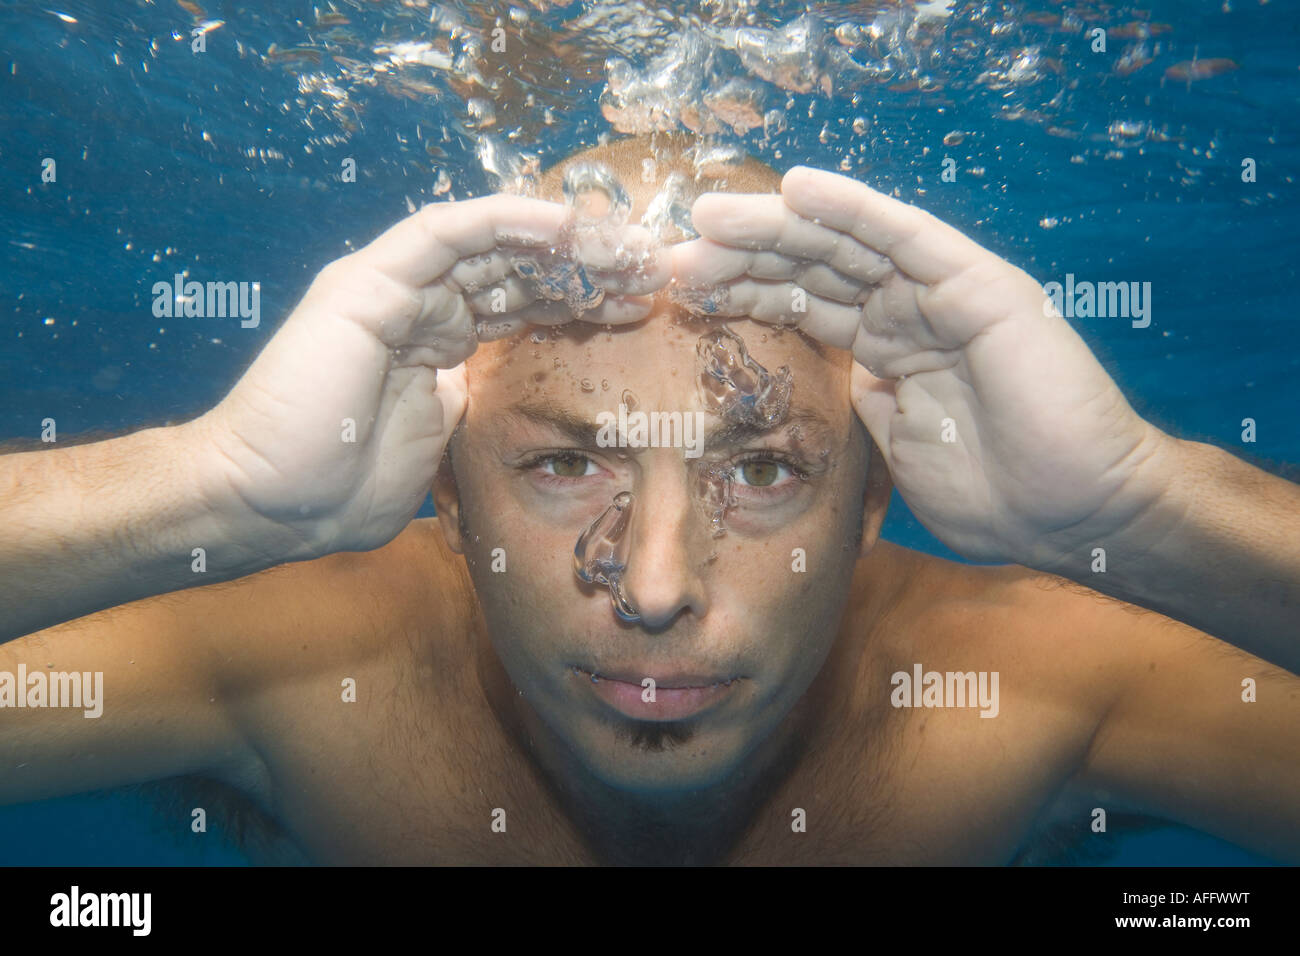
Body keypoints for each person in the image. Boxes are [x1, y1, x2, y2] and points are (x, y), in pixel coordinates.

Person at [1, 133, 1297, 865]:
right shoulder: (295, 659)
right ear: (442, 494)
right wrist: (207, 494)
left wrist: (1140, 515)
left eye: (765, 470)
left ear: (870, 506)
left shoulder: (1034, 684)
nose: (661, 586)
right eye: (566, 464)